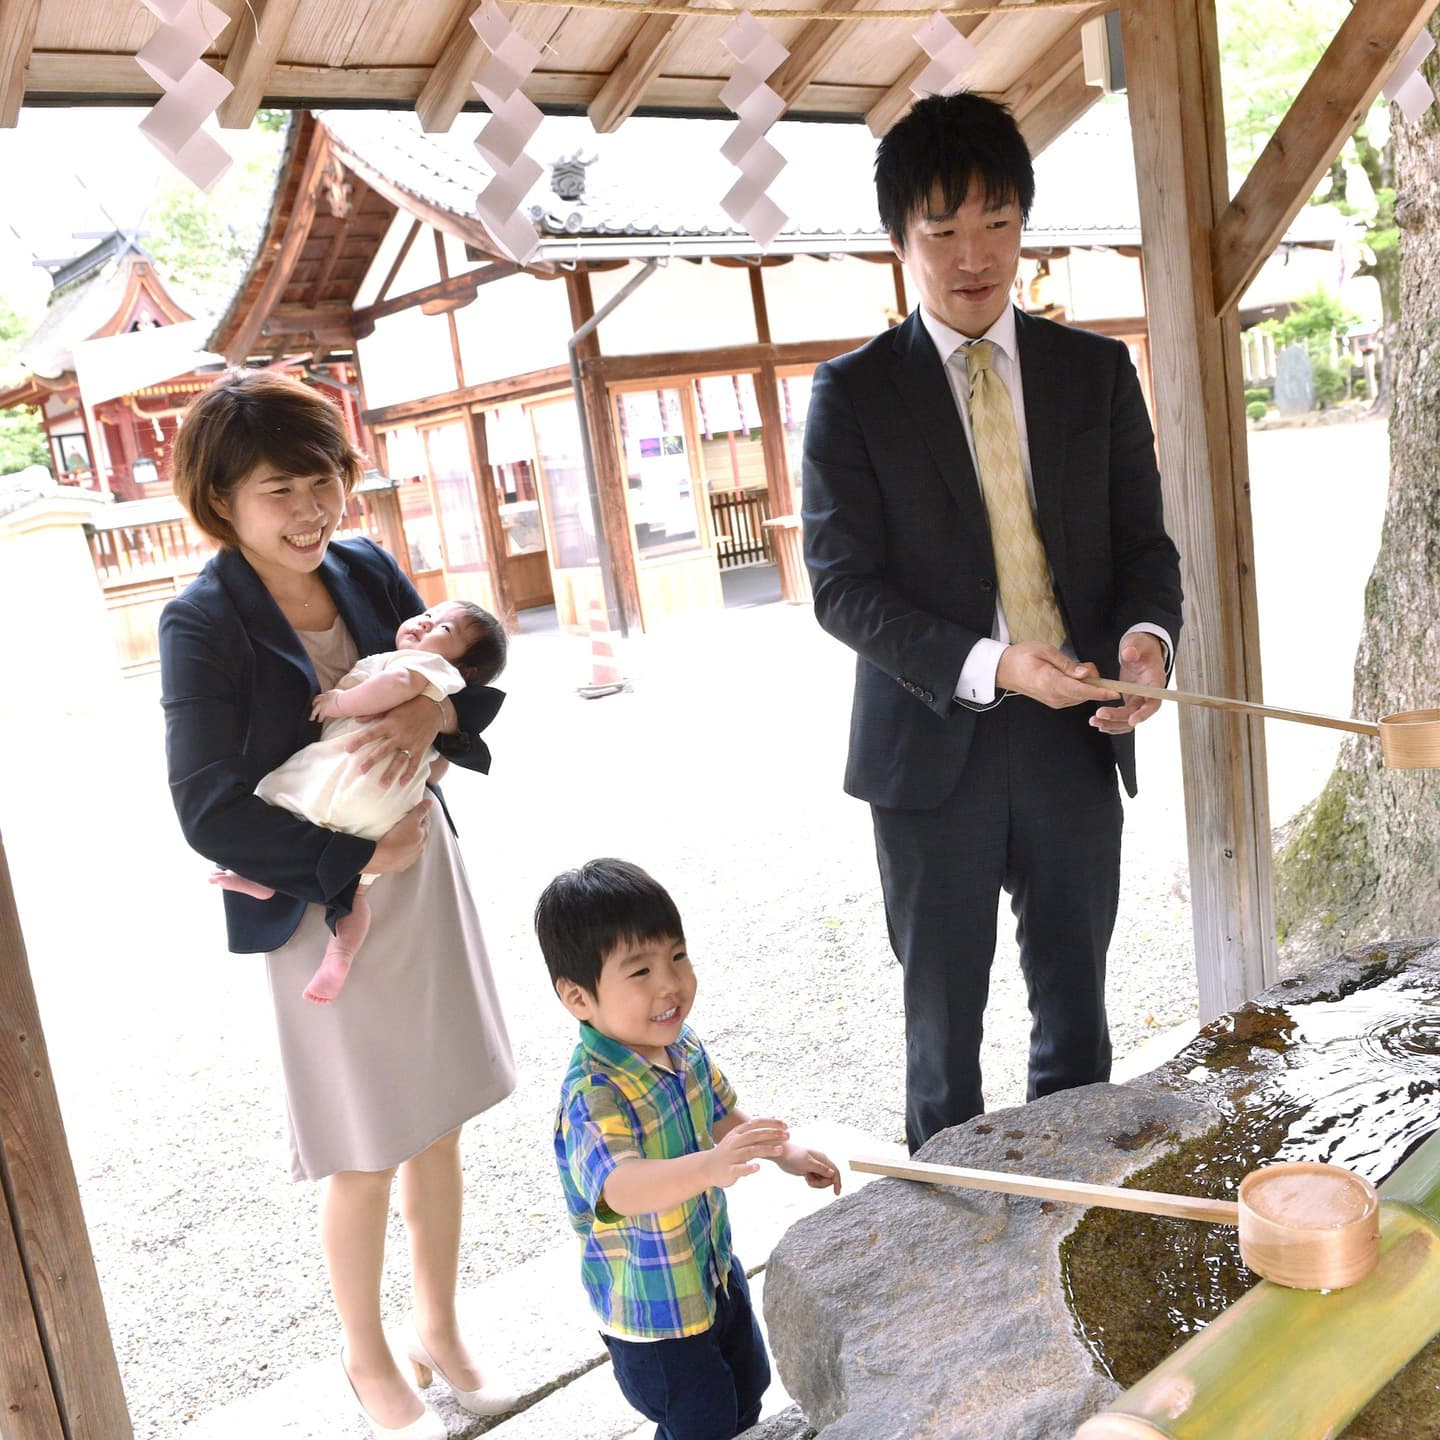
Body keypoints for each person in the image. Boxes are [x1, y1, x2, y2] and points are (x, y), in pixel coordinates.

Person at [802, 92, 1184, 1154]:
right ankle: (949, 1256)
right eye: (942, 230)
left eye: (997, 223)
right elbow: (841, 585)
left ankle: (1075, 1241)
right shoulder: (852, 395)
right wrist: (993, 662)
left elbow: (1145, 549)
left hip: (1077, 733)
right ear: (898, 240)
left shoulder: (1093, 373)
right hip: (932, 750)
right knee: (943, 1039)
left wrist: (1147, 644)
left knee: (1077, 1022)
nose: (974, 255)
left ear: (1023, 222)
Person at [159, 370, 518, 1440]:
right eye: (281, 490)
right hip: (325, 903)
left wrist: (426, 733)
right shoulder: (202, 620)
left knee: (439, 1122)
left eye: (324, 482)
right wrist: (348, 860)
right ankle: (368, 1360)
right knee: (363, 1148)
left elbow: (461, 685)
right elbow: (204, 807)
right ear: (222, 499)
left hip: (423, 870)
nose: (312, 512)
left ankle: (440, 1331)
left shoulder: (363, 563)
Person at [535, 858, 841, 1440]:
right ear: (578, 997)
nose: (669, 984)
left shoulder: (682, 1046)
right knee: (699, 1421)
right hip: (653, 1315)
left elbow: (723, 1115)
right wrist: (709, 1167)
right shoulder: (593, 1095)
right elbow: (621, 1189)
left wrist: (786, 1152)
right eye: (640, 971)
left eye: (677, 956)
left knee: (747, 1388)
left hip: (711, 1273)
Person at [210, 599, 506, 1004]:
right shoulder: (443, 682)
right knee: (358, 893)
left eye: (443, 629)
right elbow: (437, 771)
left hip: (347, 776)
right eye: (429, 614)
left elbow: (395, 686)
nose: (425, 622)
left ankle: (265, 877)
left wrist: (340, 704)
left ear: (464, 669)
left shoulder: (425, 667)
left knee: (275, 795)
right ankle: (341, 954)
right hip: (384, 810)